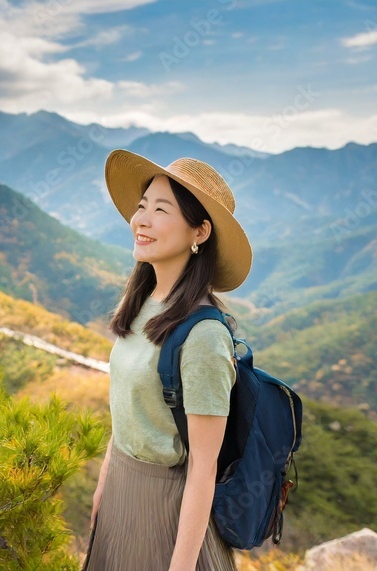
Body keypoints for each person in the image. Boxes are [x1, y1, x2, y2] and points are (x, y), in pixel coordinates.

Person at [82, 149, 253, 571]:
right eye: (142, 207)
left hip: (166, 511)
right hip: (121, 492)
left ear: (199, 232)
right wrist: (103, 491)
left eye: (160, 210)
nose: (141, 220)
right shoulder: (140, 303)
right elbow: (127, 411)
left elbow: (202, 467)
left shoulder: (204, 337)